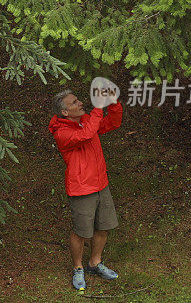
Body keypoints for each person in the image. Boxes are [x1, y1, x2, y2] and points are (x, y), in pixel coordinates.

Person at [48, 89, 123, 291]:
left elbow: (111, 123)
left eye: (79, 100)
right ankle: (78, 268)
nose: (81, 103)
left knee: (103, 227)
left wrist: (113, 104)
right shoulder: (62, 132)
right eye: (75, 102)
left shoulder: (86, 120)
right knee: (81, 232)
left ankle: (94, 263)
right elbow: (87, 134)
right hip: (81, 188)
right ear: (65, 112)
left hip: (101, 184)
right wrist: (99, 107)